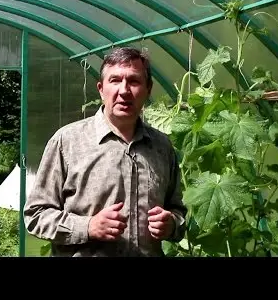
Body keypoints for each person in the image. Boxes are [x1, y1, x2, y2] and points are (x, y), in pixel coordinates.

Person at [23, 47, 187, 257]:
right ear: (101, 89)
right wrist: (88, 227)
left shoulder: (162, 147)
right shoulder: (68, 142)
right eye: (115, 80)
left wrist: (171, 224)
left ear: (148, 89)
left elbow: (178, 211)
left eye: (134, 81)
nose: (124, 90)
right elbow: (36, 215)